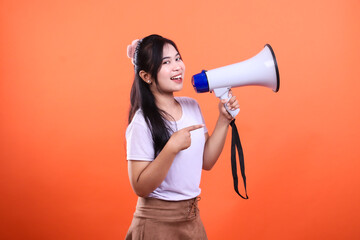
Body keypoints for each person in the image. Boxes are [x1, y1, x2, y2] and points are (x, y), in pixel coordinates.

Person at [125, 34, 239, 240]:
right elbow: (140, 187)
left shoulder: (191, 106)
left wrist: (223, 121)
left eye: (177, 58)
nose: (177, 67)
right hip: (155, 224)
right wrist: (171, 148)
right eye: (166, 62)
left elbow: (207, 161)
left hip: (191, 220)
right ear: (146, 76)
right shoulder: (142, 122)